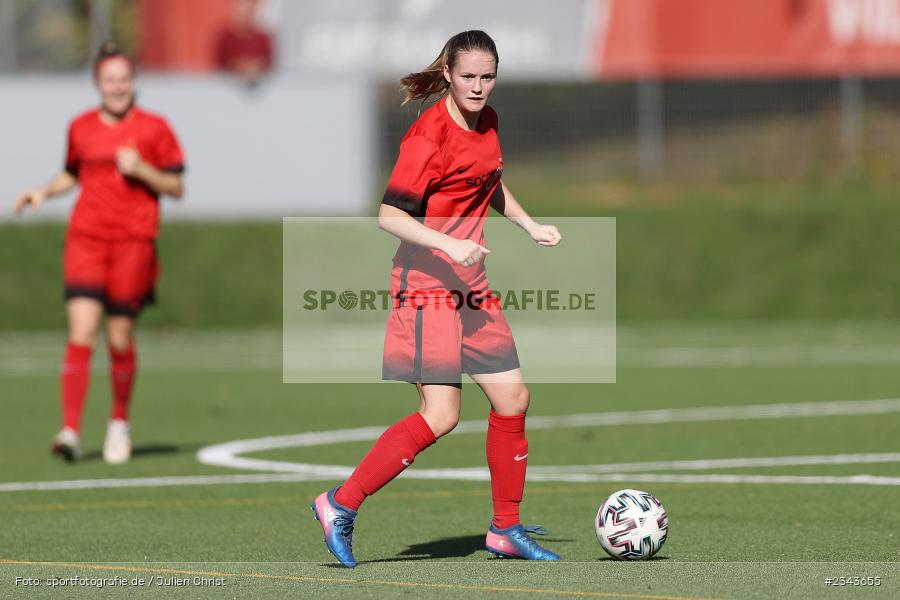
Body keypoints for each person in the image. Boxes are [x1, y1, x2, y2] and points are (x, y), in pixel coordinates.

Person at [311, 30, 562, 567]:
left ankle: (504, 529)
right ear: (447, 72)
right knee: (441, 413)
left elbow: (487, 181)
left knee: (513, 400)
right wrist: (450, 242)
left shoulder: (488, 122)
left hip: (471, 288)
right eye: (468, 76)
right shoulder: (428, 136)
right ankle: (339, 504)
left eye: (487, 76)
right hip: (426, 287)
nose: (478, 86)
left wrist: (528, 224)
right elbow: (390, 216)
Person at [14, 42, 186, 464]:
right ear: (98, 83)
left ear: (133, 82)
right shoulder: (80, 127)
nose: (118, 86)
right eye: (110, 79)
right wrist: (42, 192)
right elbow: (71, 173)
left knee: (119, 337)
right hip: (86, 240)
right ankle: (70, 430)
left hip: (133, 243)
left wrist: (142, 169)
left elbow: (177, 188)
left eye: (124, 79)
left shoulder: (155, 128)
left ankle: (118, 423)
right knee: (81, 332)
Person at [214, 0, 275, 86]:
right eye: (242, 11)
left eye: (248, 11)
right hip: (228, 86)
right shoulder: (225, 37)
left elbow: (269, 63)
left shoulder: (263, 38)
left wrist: (255, 67)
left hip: (259, 86)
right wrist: (237, 67)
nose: (244, 15)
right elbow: (218, 64)